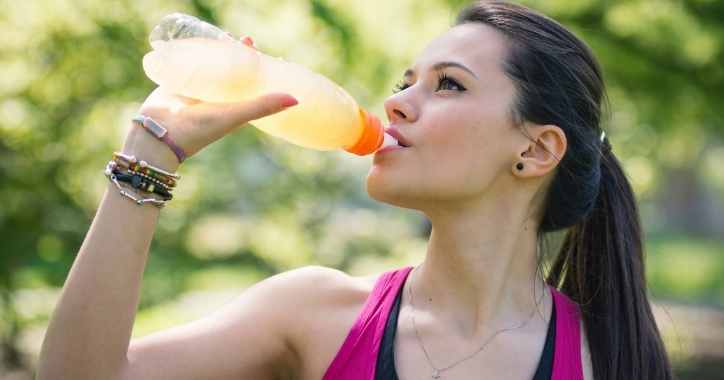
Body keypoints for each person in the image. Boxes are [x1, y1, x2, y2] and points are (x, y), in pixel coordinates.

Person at [38, 1, 673, 379]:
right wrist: (149, 152)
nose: (397, 103)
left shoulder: (607, 355)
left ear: (536, 150)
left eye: (447, 84)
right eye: (405, 81)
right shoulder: (313, 313)